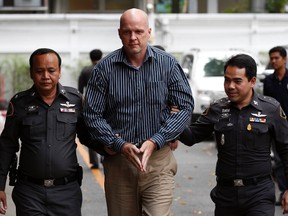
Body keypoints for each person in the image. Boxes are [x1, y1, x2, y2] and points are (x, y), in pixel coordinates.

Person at [83, 8, 194, 216]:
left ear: (149, 31)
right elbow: (92, 115)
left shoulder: (167, 64)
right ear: (119, 33)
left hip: (158, 161)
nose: (133, 37)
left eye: (139, 31)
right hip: (119, 161)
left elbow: (185, 106)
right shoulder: (104, 69)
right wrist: (118, 144)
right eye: (127, 31)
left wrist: (157, 139)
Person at [179, 54, 288, 216]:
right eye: (227, 80)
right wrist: (174, 117)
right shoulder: (217, 109)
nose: (230, 86)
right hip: (226, 195)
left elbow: (285, 149)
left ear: (252, 81)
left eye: (237, 81)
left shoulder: (270, 109)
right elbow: (191, 137)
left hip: (259, 194)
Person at [0, 48, 92, 215]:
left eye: (51, 70)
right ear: (31, 73)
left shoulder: (75, 100)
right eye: (39, 71)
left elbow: (88, 137)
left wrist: (112, 147)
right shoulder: (19, 103)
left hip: (67, 194)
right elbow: (6, 145)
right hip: (29, 194)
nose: (45, 76)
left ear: (59, 71)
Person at [263, 46, 288, 205]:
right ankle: (284, 191)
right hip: (277, 126)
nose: (273, 61)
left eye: (276, 58)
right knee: (279, 161)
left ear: (284, 59)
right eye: (271, 58)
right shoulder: (269, 81)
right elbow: (267, 104)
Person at [78, 49, 103, 169]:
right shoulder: (107, 67)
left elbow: (80, 89)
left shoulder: (86, 70)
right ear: (101, 56)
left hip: (91, 103)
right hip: (106, 103)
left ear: (90, 58)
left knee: (91, 130)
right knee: (108, 128)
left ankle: (94, 162)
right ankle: (105, 156)